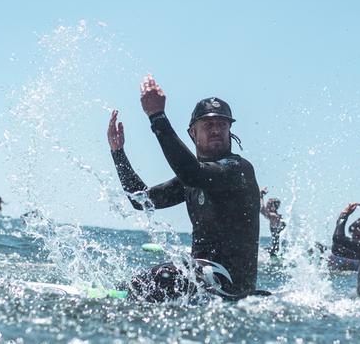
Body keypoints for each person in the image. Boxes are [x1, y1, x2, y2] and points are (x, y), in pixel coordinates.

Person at [108, 75, 261, 301]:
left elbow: (192, 173)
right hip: (203, 281)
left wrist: (157, 116)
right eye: (208, 125)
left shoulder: (238, 170)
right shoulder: (193, 179)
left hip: (231, 285)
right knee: (137, 285)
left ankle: (116, 299)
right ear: (192, 133)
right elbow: (142, 201)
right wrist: (118, 153)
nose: (216, 130)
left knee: (162, 278)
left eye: (222, 124)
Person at [260, 187, 286, 257]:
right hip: (279, 249)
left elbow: (262, 210)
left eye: (268, 204)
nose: (266, 206)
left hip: (276, 250)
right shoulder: (277, 217)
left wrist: (261, 195)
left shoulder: (273, 217)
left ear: (273, 207)